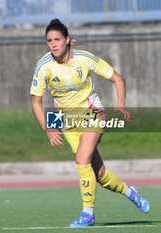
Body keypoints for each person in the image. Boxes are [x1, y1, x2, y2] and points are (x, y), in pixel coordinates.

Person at [30, 18, 150, 227]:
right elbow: (36, 102)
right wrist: (48, 127)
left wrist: (120, 104)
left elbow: (117, 79)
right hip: (66, 121)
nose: (53, 44)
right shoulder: (43, 66)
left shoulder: (84, 58)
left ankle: (88, 214)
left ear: (67, 40)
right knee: (100, 175)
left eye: (57, 39)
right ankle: (132, 193)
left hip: (92, 112)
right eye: (49, 41)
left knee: (81, 159)